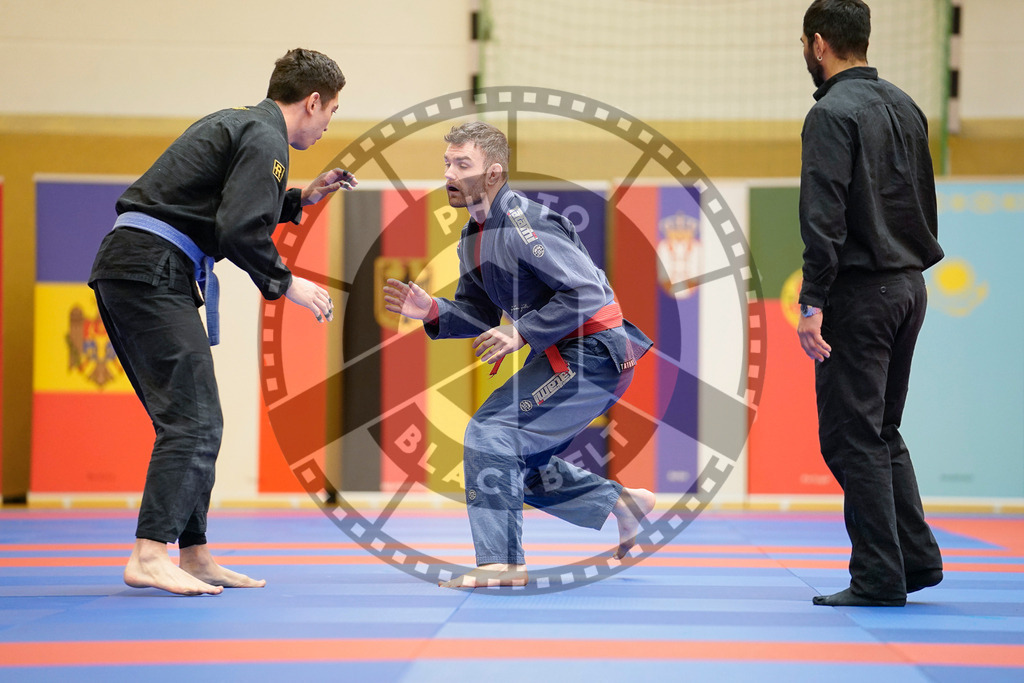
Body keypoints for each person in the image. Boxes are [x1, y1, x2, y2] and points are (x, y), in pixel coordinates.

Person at [89, 48, 357, 596]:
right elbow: (238, 229)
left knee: (194, 417)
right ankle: (149, 552)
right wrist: (289, 283)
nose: (329, 124)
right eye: (331, 110)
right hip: (150, 270)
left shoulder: (241, 123)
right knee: (195, 421)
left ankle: (193, 554)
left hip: (137, 267)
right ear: (312, 101)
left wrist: (301, 198)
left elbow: (220, 203)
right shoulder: (266, 137)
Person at [383, 121, 656, 588]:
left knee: (490, 435)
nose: (449, 173)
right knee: (515, 468)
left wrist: (522, 332)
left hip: (594, 353)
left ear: (493, 173)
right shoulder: (473, 236)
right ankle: (620, 504)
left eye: (462, 164)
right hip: (564, 354)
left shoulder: (526, 223)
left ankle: (503, 565)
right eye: (447, 163)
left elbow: (586, 291)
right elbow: (478, 313)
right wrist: (432, 310)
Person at [796, 0, 944, 606]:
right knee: (882, 430)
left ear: (819, 43)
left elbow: (823, 214)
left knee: (851, 437)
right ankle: (916, 560)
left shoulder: (832, 113)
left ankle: (879, 577)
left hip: (861, 292)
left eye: (804, 44)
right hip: (909, 285)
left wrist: (812, 301)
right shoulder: (905, 104)